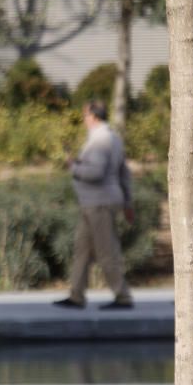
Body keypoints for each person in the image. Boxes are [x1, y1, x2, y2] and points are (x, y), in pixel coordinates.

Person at [54, 100, 135, 311]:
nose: (83, 120)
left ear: (93, 116)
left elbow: (96, 173)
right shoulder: (113, 138)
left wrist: (74, 167)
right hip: (93, 203)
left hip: (100, 203)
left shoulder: (100, 140)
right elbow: (123, 173)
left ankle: (122, 296)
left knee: (106, 250)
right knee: (81, 249)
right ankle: (76, 295)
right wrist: (128, 202)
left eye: (85, 115)